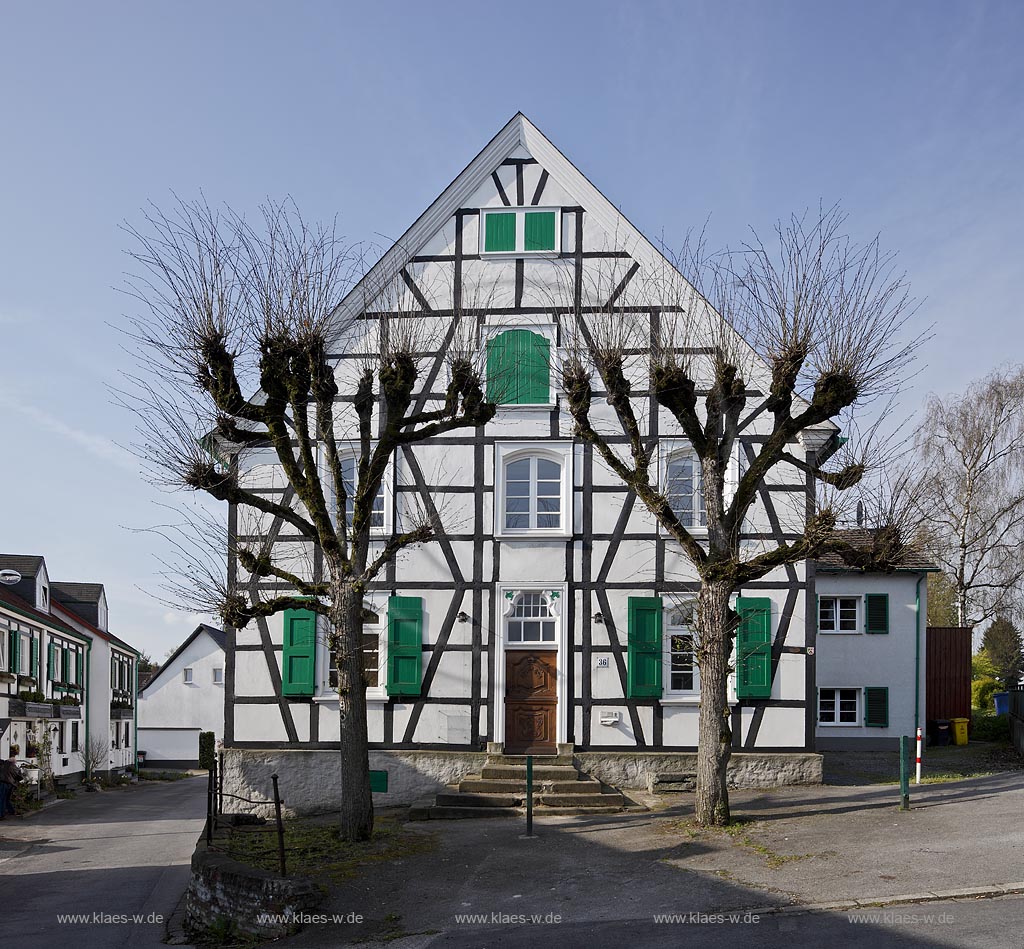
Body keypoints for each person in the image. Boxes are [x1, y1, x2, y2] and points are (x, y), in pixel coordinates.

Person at [0, 751, 23, 819]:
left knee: (2, 798)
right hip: (10, 784)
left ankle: (2, 814)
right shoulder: (14, 767)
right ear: (14, 762)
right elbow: (20, 777)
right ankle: (10, 811)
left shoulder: (2, 764)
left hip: (2, 782)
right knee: (6, 799)